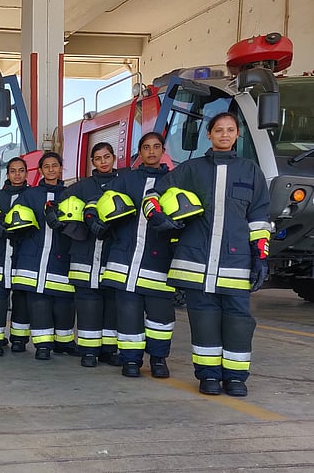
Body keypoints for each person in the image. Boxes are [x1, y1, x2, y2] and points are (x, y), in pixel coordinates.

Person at [146, 112, 270, 396]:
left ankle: (236, 378)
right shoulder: (190, 169)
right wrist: (157, 216)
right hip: (196, 264)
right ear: (209, 134)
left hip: (236, 264)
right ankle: (208, 377)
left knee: (238, 323)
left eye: (230, 130)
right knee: (204, 323)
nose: (224, 135)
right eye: (219, 130)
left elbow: (260, 218)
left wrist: (261, 256)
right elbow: (153, 195)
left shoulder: (251, 171)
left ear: (237, 134)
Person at [98, 132, 175, 378]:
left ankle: (158, 360)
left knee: (160, 318)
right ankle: (131, 360)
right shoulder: (125, 179)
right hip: (125, 261)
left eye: (156, 147)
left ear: (163, 150)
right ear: (139, 152)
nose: (151, 152)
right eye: (146, 147)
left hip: (159, 261)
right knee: (128, 316)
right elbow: (103, 204)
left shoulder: (174, 180)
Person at [60, 142, 119, 368]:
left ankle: (109, 351)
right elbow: (58, 207)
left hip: (113, 253)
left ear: (113, 158)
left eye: (107, 157)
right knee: (87, 305)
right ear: (92, 162)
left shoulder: (123, 183)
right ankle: (88, 350)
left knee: (111, 305)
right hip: (84, 254)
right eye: (98, 158)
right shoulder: (80, 187)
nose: (103, 162)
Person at [12, 152, 75, 360]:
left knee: (63, 303)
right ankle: (43, 345)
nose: (51, 169)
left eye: (54, 165)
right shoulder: (30, 195)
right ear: (40, 171)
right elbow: (16, 222)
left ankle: (64, 342)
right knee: (39, 302)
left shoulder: (69, 194)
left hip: (61, 257)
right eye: (46, 166)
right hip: (33, 258)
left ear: (60, 169)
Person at [0, 157, 30, 356]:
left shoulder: (32, 195)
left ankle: (19, 340)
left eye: (21, 170)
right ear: (7, 174)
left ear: (27, 173)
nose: (17, 174)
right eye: (13, 171)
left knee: (22, 297)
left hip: (24, 255)